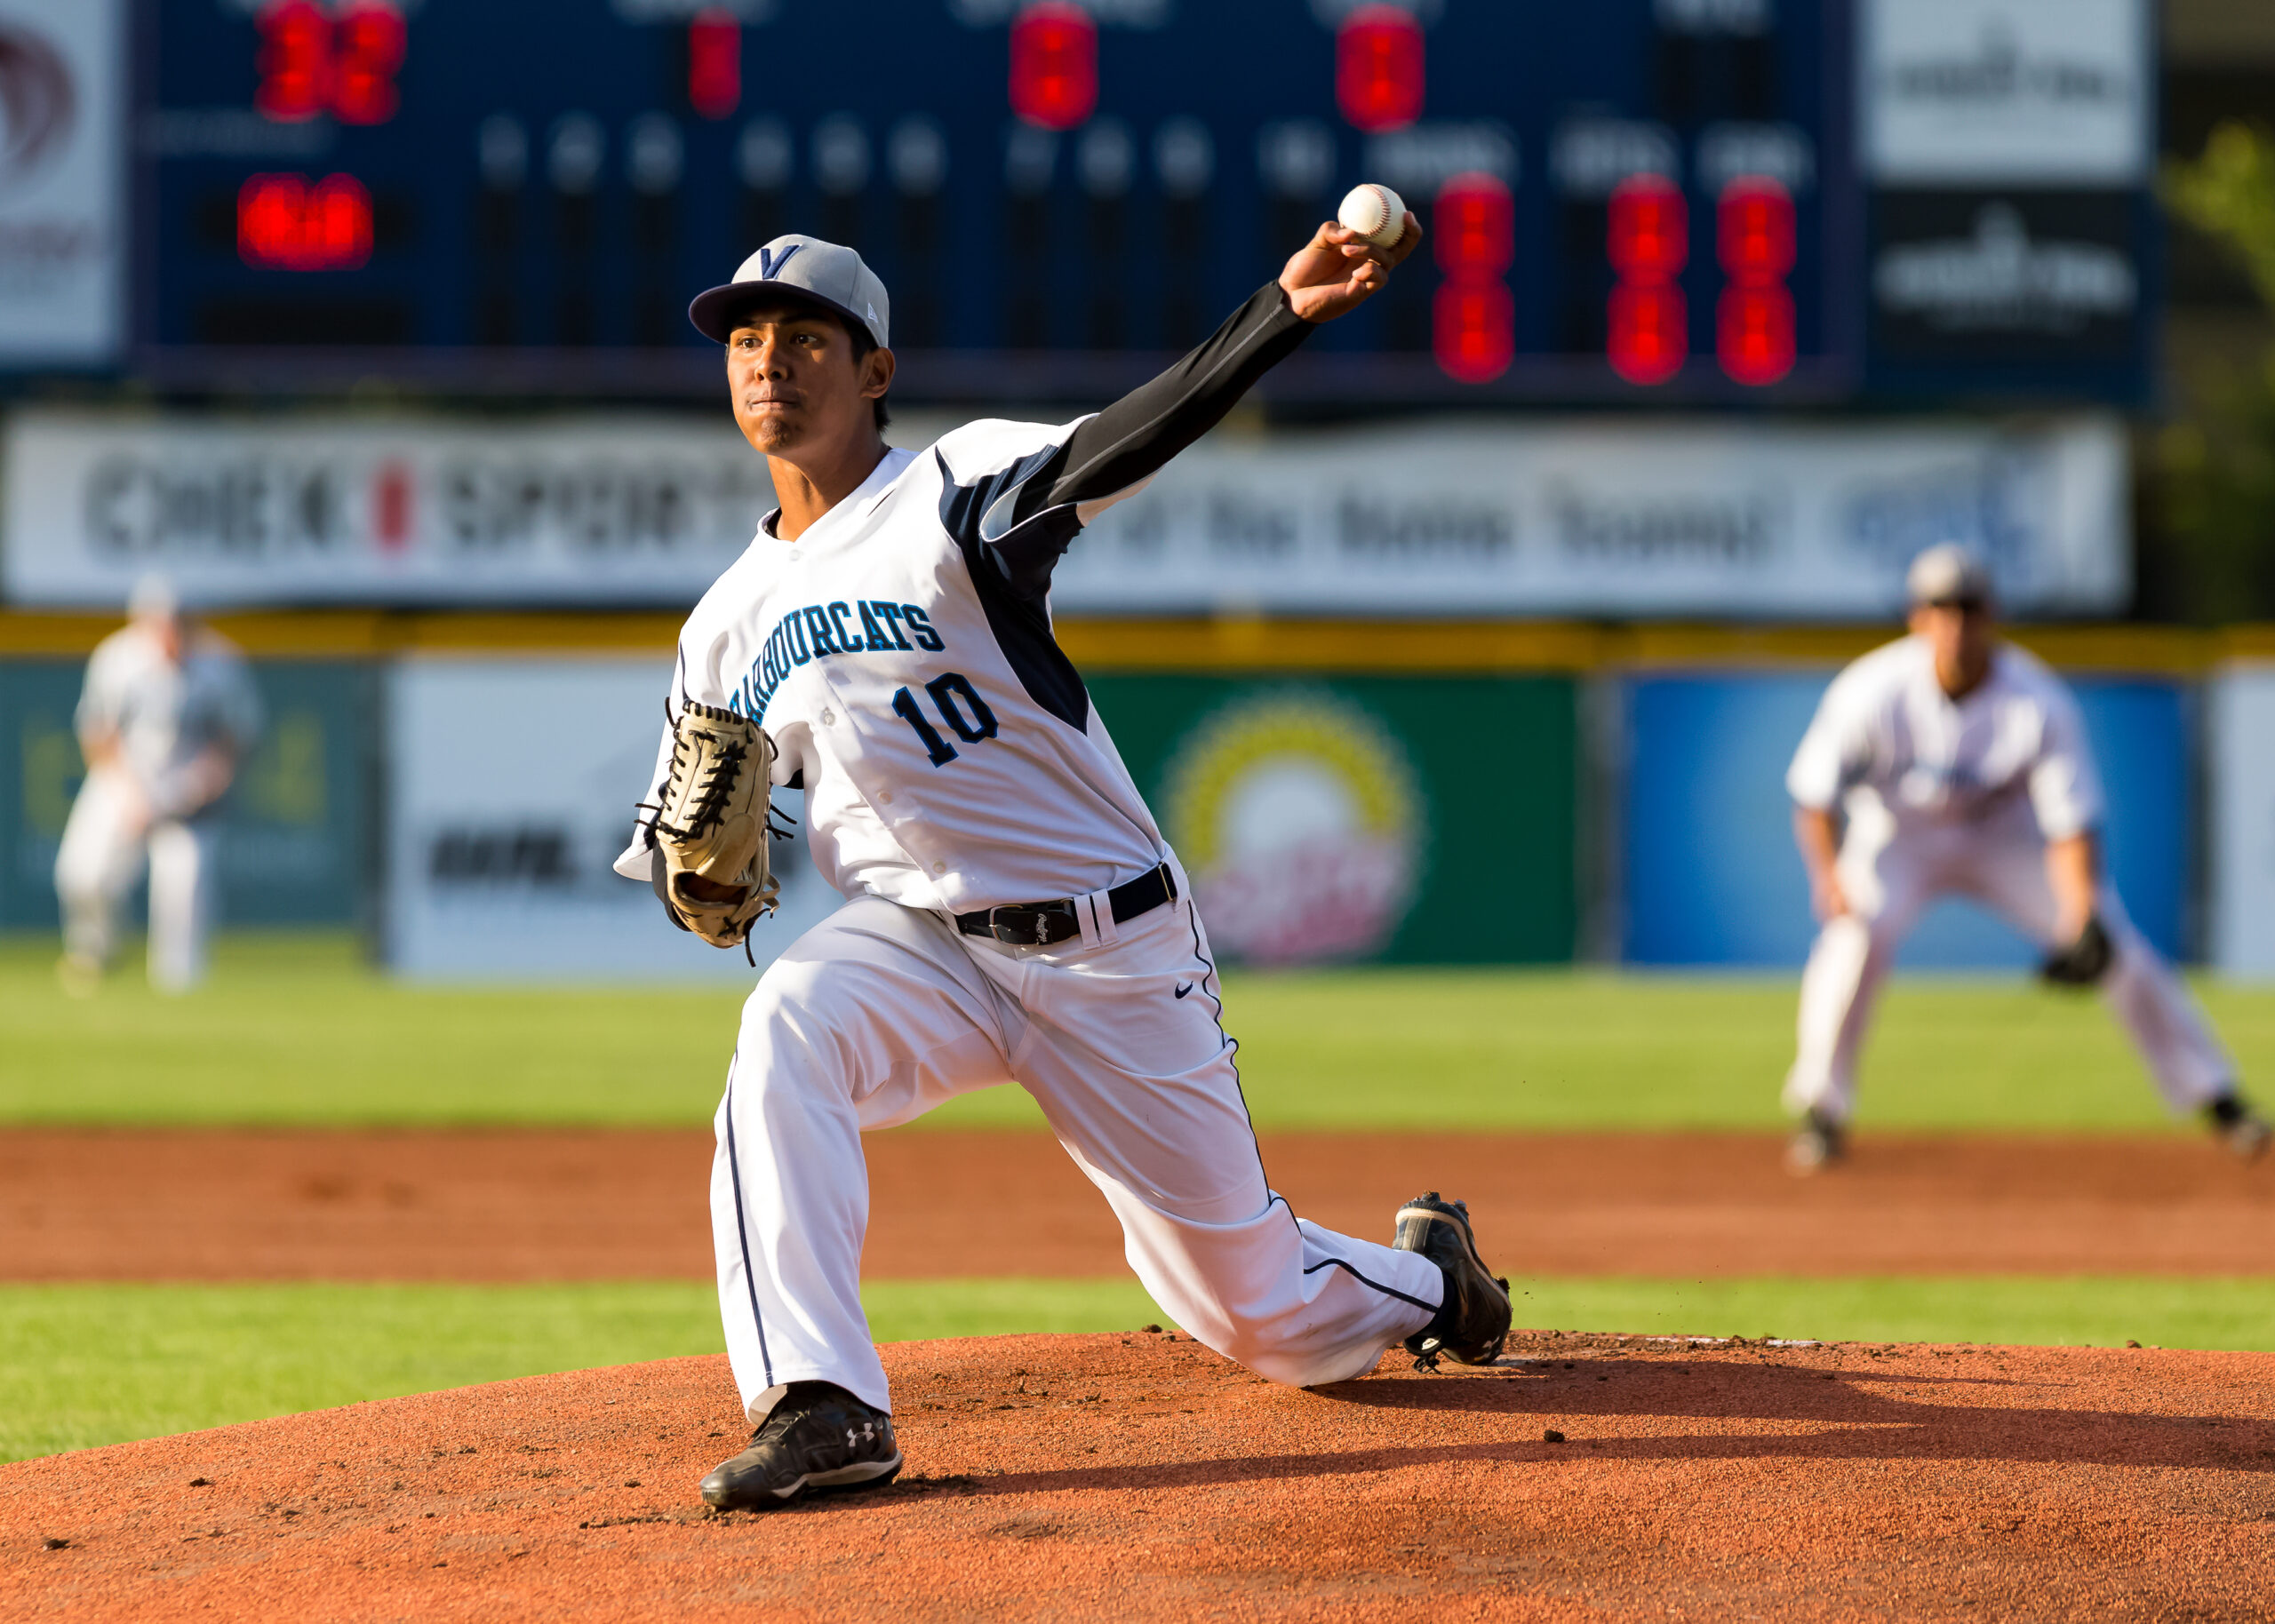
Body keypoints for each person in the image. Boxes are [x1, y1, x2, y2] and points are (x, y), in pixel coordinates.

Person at [614, 221, 1513, 1510]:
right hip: (924, 943)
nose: (772, 364)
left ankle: (1433, 1279)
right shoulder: (723, 624)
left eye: (808, 337)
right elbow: (679, 840)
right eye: (748, 342)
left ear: (873, 371)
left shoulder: (953, 488)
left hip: (1110, 946)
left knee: (1253, 1315)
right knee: (786, 1028)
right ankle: (822, 1402)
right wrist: (683, 880)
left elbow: (1120, 441)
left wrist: (1281, 312)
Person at [1781, 543, 2268, 1174]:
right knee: (1852, 941)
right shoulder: (1871, 690)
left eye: (1967, 607)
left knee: (2116, 947)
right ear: (1917, 617)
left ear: (1992, 614)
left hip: (2003, 841)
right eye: (1940, 607)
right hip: (1897, 838)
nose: (1954, 623)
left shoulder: (2036, 700)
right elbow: (1813, 794)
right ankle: (1822, 1112)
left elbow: (2071, 820)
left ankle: (2220, 1100)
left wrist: (2079, 908)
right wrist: (1828, 878)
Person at [54, 577, 263, 996]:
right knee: (81, 872)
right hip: (124, 778)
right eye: (162, 622)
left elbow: (237, 736)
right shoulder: (117, 658)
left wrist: (206, 781)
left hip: (187, 784)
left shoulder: (220, 662)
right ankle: (97, 948)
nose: (172, 631)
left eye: (180, 622)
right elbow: (98, 734)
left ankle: (178, 986)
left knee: (183, 883)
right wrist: (130, 796)